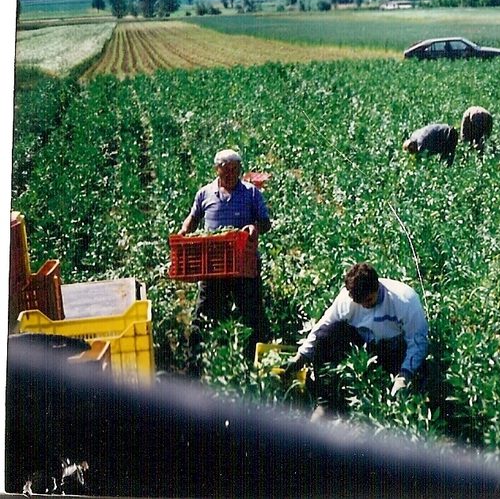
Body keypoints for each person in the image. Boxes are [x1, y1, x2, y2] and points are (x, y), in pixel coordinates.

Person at [178, 149, 272, 370]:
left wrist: (254, 227)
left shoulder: (251, 193)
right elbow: (193, 217)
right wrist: (184, 231)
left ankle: (254, 363)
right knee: (204, 314)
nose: (230, 174)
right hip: (213, 266)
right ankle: (195, 364)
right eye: (225, 170)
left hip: (243, 265)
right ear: (216, 169)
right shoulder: (205, 193)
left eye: (235, 170)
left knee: (253, 314)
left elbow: (266, 224)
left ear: (240, 170)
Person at [292, 262, 429, 404]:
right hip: (363, 348)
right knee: (327, 334)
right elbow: (324, 325)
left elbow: (418, 342)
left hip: (394, 350)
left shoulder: (404, 300)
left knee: (418, 375)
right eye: (359, 302)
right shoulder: (346, 299)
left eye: (368, 300)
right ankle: (327, 401)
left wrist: (404, 375)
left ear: (377, 286)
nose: (364, 305)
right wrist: (302, 355)